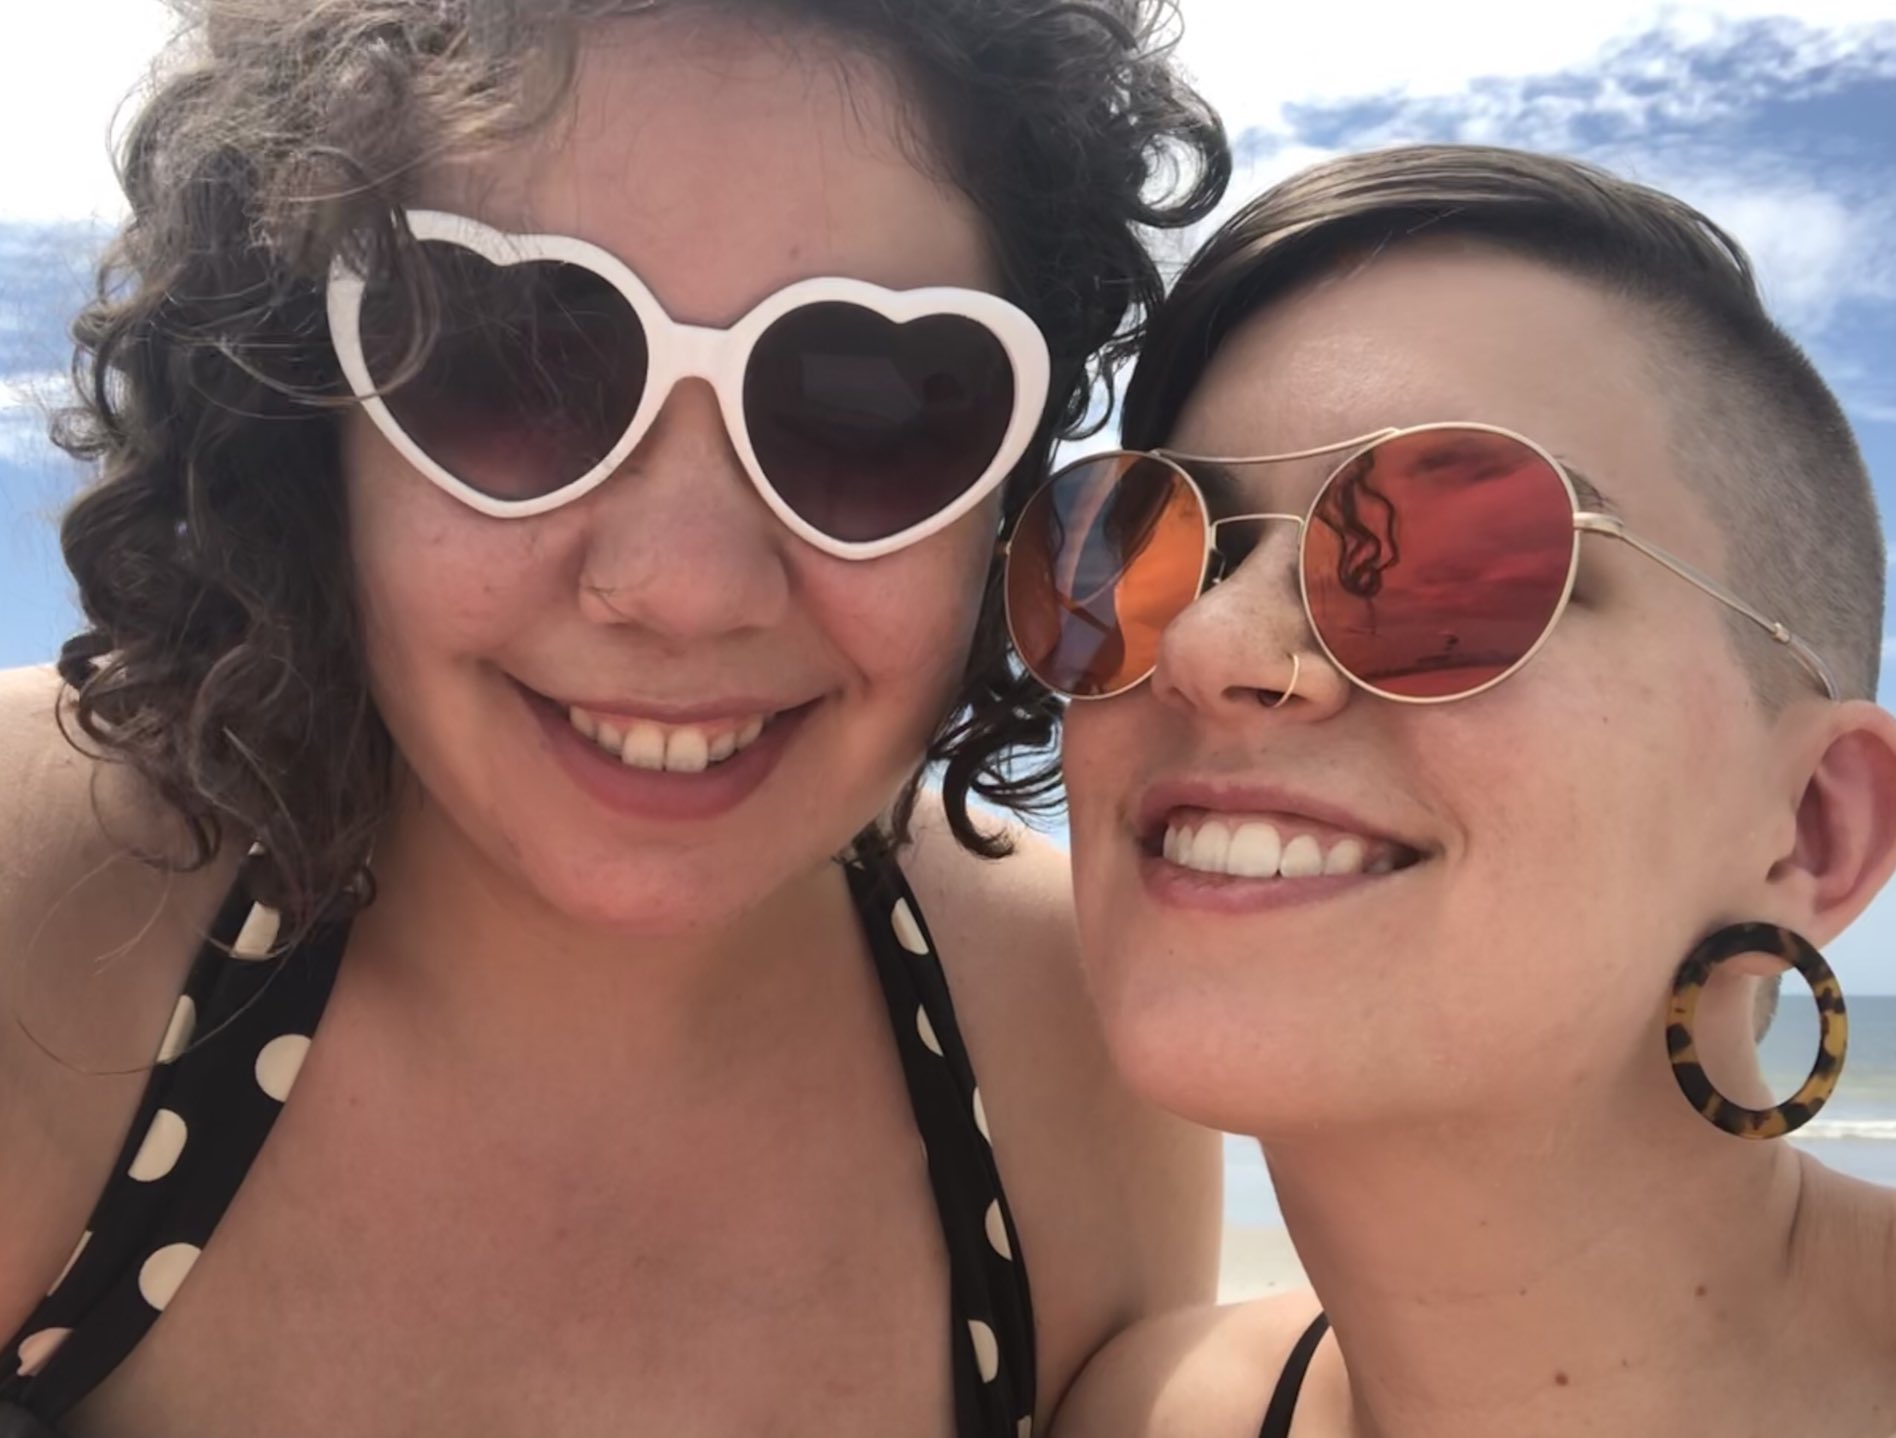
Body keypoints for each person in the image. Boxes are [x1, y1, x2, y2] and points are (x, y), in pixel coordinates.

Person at [0, 3, 1231, 1433]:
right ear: (303, 421)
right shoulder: (51, 903)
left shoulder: (1077, 1024)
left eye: (873, 405)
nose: (685, 587)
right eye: (515, 365)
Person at [1004, 145, 1896, 1437]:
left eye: (1449, 558)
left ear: (1814, 826)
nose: (1207, 644)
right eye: (1139, 548)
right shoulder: (1146, 1415)